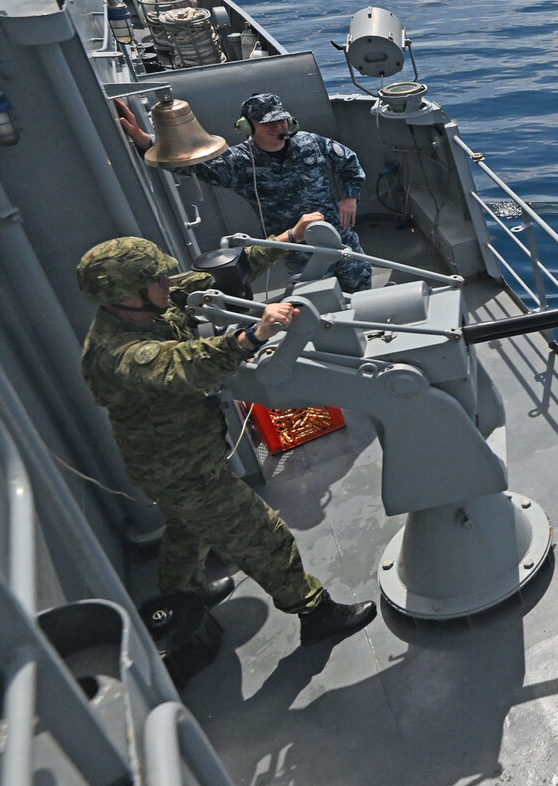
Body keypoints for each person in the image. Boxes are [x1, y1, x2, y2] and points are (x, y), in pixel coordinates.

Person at [77, 218, 377, 647]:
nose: (168, 283)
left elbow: (224, 275)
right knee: (262, 535)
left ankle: (183, 595)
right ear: (129, 295)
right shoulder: (119, 353)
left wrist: (289, 237)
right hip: (182, 469)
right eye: (157, 280)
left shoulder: (149, 302)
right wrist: (253, 336)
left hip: (184, 458)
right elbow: (186, 365)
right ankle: (315, 612)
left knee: (188, 531)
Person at [117, 92, 372, 293]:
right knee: (321, 295)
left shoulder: (310, 143)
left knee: (362, 287)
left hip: (340, 237)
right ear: (248, 127)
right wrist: (146, 141)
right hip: (297, 248)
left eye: (280, 120)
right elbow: (189, 163)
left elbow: (348, 161)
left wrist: (349, 198)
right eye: (267, 122)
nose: (277, 126)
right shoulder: (239, 162)